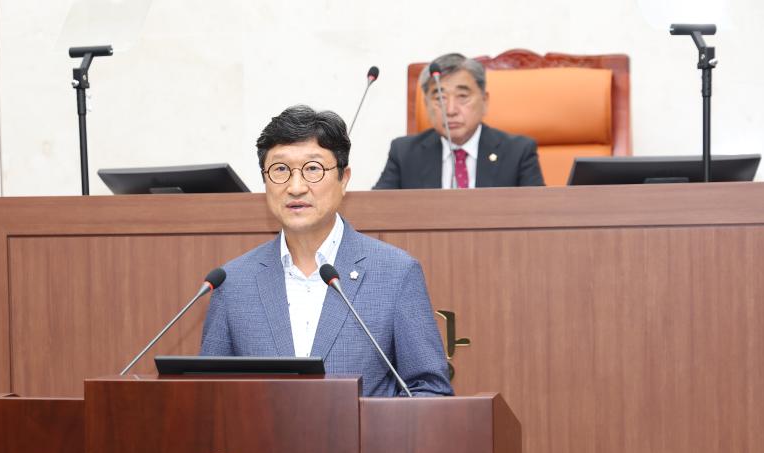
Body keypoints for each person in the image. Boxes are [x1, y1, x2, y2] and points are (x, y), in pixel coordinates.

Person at [200, 105, 453, 397]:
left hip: (365, 443)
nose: (296, 187)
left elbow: (430, 391)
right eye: (280, 169)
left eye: (313, 169)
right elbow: (209, 397)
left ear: (343, 179)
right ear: (265, 179)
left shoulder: (395, 273)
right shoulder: (232, 283)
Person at [373, 52, 544, 190]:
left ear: (484, 101)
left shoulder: (518, 152)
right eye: (439, 98)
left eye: (463, 96)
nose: (451, 110)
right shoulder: (404, 153)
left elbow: (539, 216)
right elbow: (375, 211)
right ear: (426, 105)